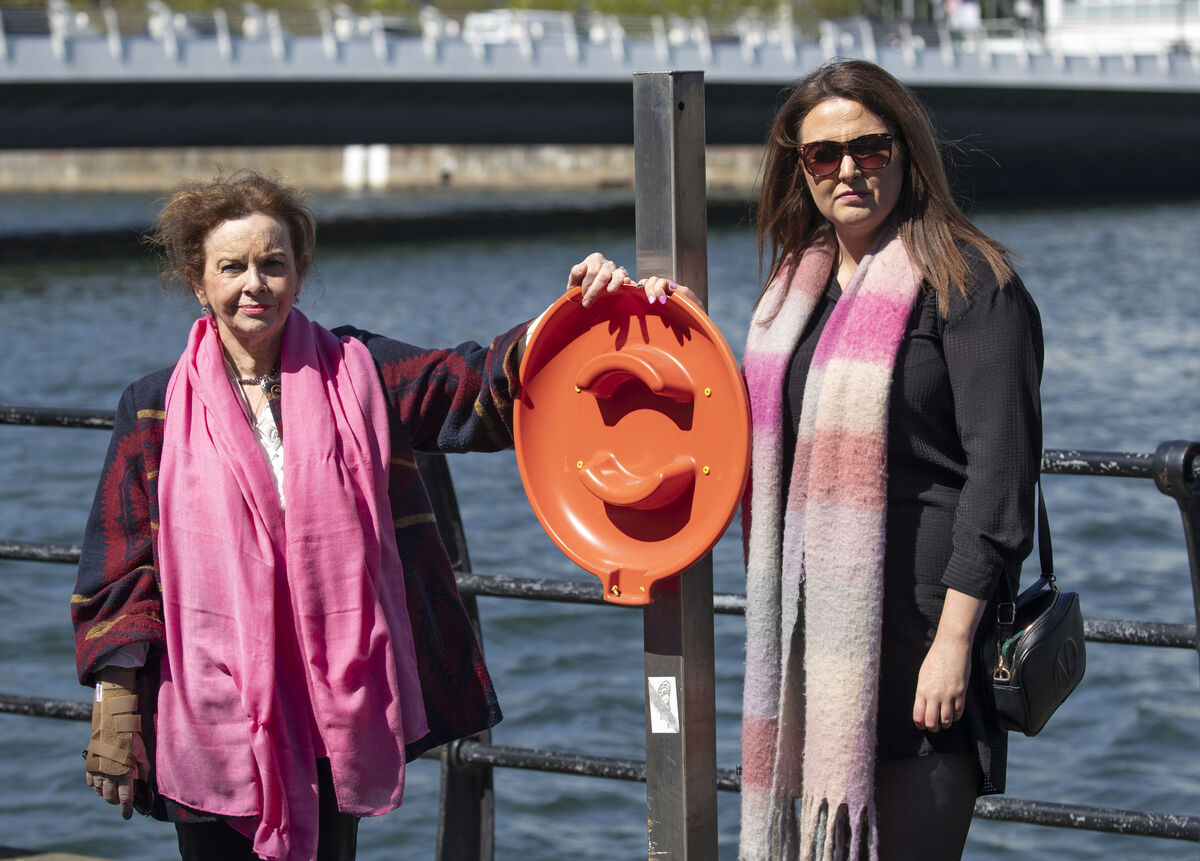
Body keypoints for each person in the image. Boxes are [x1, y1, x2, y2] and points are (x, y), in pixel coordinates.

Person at [70, 170, 663, 861]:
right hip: (208, 709)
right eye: (232, 267)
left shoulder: (359, 372)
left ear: (300, 272)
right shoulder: (153, 407)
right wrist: (116, 701)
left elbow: (472, 384)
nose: (254, 283)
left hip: (335, 701)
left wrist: (577, 312)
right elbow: (118, 563)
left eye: (273, 263)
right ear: (199, 282)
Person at [729, 60, 1043, 860]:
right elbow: (730, 421)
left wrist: (952, 645)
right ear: (799, 170)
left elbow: (1000, 480)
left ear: (906, 152)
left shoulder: (970, 282)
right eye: (822, 155)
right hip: (817, 657)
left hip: (925, 656)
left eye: (868, 148)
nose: (846, 170)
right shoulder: (792, 295)